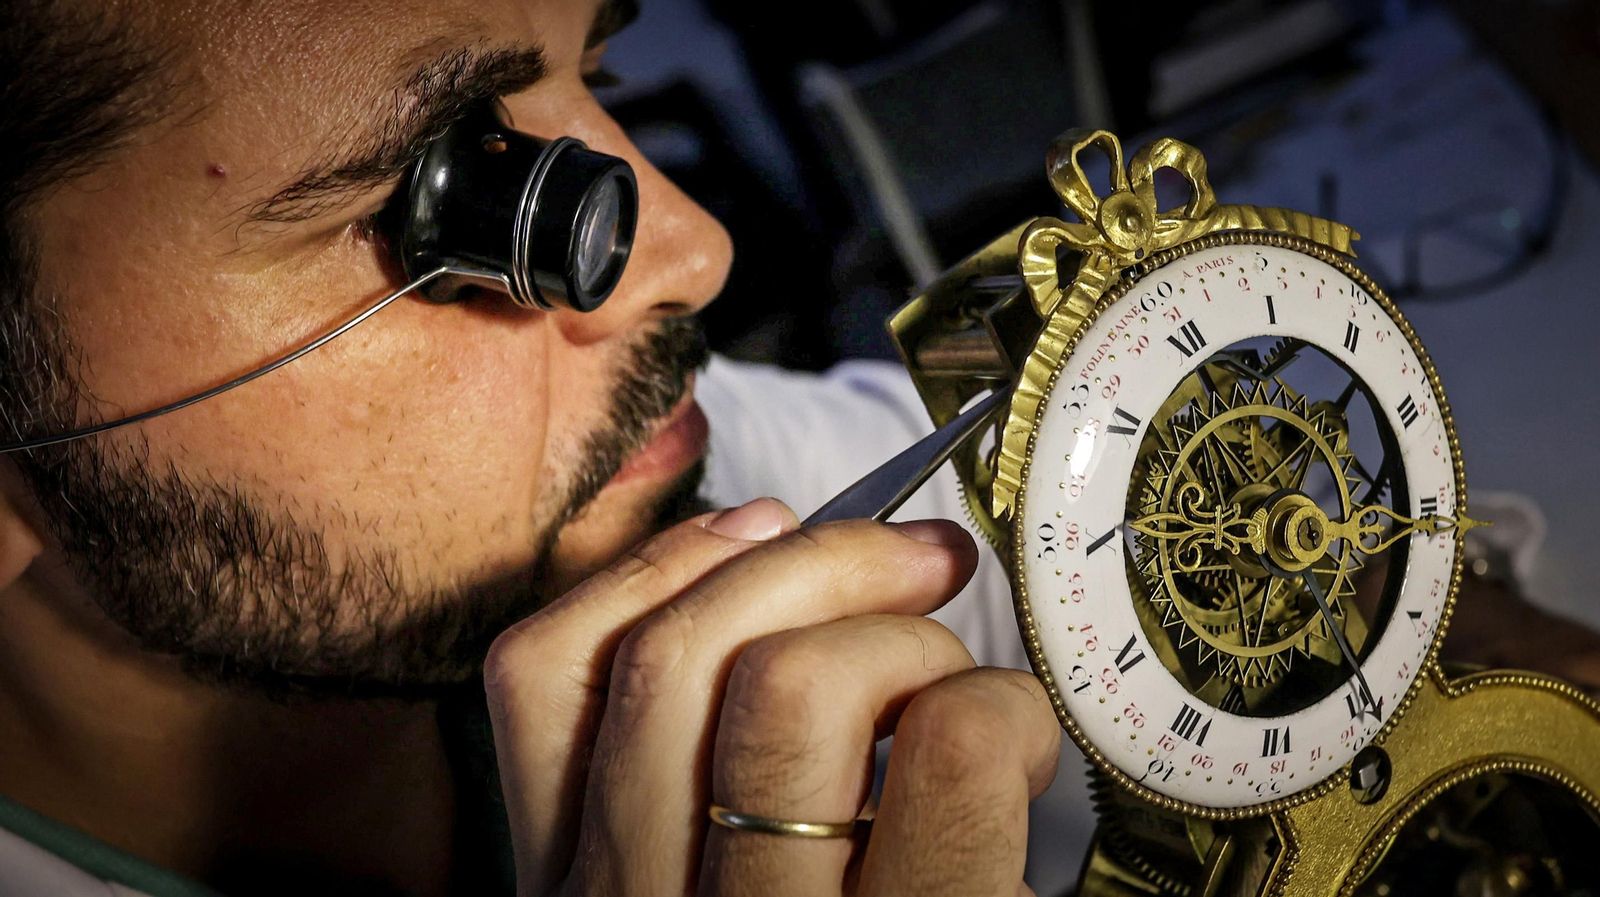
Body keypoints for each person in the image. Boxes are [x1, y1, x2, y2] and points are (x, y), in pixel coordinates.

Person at [2, 1, 1598, 896]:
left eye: (599, 76)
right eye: (453, 206)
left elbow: (1373, 597)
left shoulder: (680, 492)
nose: (690, 249)